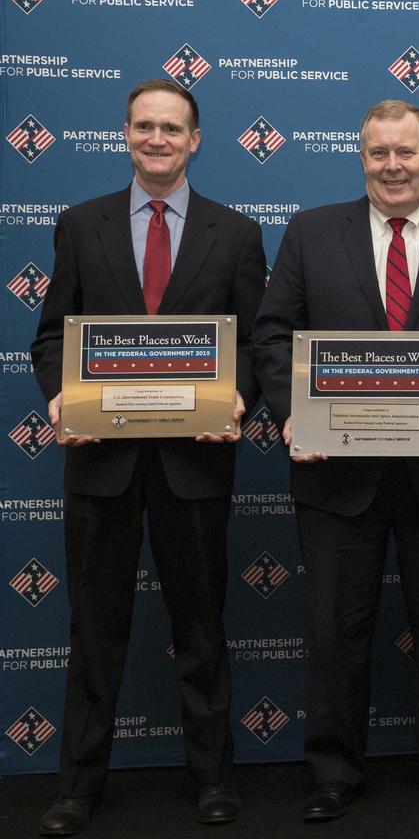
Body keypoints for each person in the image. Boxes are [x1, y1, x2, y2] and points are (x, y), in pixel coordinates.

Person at [251, 99, 419, 821]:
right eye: (378, 153)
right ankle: (333, 769)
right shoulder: (308, 234)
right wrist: (293, 410)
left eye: (406, 152)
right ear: (360, 157)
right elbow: (273, 337)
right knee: (337, 629)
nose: (392, 166)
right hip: (337, 473)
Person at [29, 79, 266, 835]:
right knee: (95, 630)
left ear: (196, 140)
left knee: (200, 626)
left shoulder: (236, 232)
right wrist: (60, 395)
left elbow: (256, 345)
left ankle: (213, 778)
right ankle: (77, 787)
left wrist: (240, 401)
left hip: (194, 462)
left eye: (172, 128)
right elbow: (50, 337)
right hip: (101, 461)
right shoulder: (80, 224)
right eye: (144, 127)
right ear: (125, 135)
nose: (157, 139)